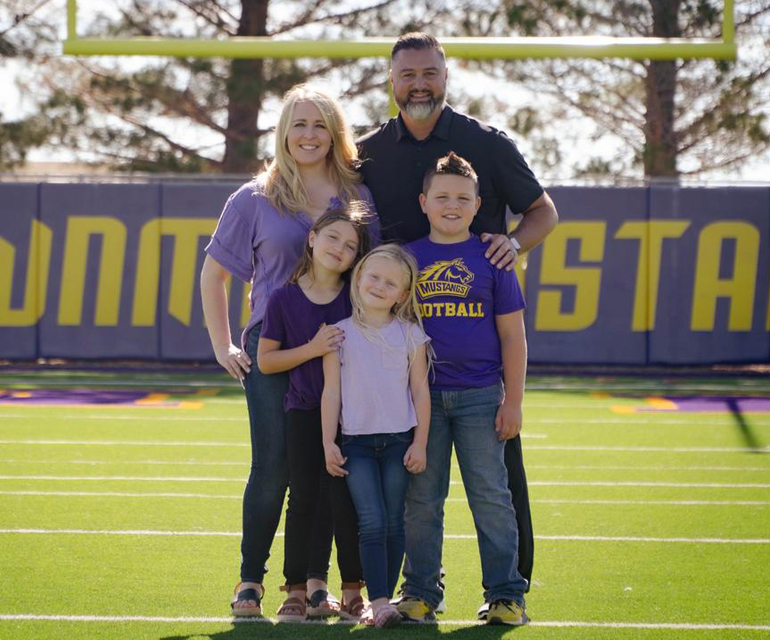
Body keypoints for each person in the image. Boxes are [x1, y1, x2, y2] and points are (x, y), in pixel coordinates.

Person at [358, 32, 558, 609]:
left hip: (477, 355)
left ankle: (508, 590)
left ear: (446, 77)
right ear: (390, 81)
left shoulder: (486, 143)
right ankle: (420, 588)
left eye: (429, 74)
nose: (419, 85)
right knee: (416, 489)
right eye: (407, 75)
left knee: (496, 485)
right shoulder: (367, 151)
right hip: (406, 347)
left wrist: (512, 246)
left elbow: (543, 211)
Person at [200, 83, 377, 618]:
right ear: (282, 132)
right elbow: (214, 276)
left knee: (329, 467)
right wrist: (223, 344)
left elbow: (374, 273)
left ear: (335, 134)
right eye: (298, 124)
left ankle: (313, 585)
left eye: (319, 125)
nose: (308, 135)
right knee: (274, 467)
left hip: (342, 345)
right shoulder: (254, 197)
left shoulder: (358, 197)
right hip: (273, 348)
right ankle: (250, 581)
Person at [397, 152, 529, 626]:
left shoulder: (494, 258)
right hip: (422, 399)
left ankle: (506, 595)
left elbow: (513, 335)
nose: (451, 205)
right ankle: (420, 594)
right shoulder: (407, 258)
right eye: (442, 197)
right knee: (422, 500)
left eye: (462, 198)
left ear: (477, 206)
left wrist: (512, 400)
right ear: (424, 202)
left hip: (479, 396)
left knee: (491, 496)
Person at [257, 207, 372, 622]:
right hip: (304, 411)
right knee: (303, 496)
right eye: (332, 238)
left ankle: (354, 590)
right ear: (312, 239)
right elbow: (267, 361)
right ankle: (297, 591)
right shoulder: (284, 298)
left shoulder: (358, 295)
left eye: (350, 246)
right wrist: (313, 347)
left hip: (355, 415)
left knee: (348, 501)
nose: (339, 249)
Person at [321, 244, 431, 629]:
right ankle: (379, 602)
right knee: (371, 520)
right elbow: (331, 392)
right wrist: (327, 442)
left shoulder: (411, 335)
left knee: (394, 522)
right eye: (374, 277)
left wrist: (420, 442)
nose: (380, 286)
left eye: (391, 283)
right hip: (357, 445)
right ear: (358, 279)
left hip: (400, 443)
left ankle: (387, 598)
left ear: (402, 294)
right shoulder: (338, 335)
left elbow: (420, 391)